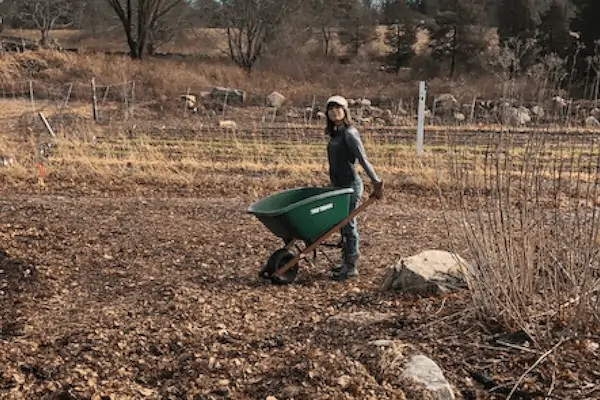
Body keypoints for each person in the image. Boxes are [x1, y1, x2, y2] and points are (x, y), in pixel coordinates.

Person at [325, 95, 384, 281]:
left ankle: (351, 267)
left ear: (345, 111)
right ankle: (345, 262)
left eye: (338, 108)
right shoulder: (336, 133)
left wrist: (376, 181)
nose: (334, 111)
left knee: (349, 225)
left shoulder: (350, 133)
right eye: (331, 108)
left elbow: (363, 159)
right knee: (342, 225)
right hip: (338, 185)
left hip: (350, 186)